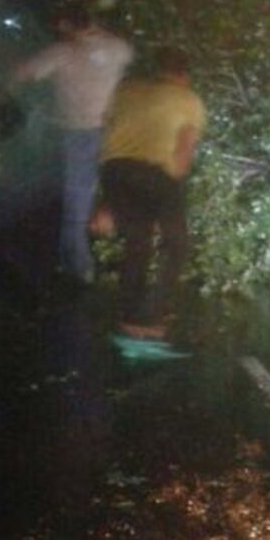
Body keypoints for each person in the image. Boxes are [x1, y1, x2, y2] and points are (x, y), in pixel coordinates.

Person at [11, 4, 133, 285]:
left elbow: (24, 73)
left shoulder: (63, 53)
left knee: (75, 204)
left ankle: (78, 269)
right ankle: (96, 255)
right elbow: (124, 52)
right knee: (96, 193)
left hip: (77, 133)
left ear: (67, 25)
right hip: (111, 131)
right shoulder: (117, 48)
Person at [99, 47, 206, 341]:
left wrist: (107, 202)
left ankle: (129, 315)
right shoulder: (188, 100)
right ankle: (153, 314)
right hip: (156, 174)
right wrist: (170, 202)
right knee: (176, 243)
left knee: (138, 242)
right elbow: (183, 151)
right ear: (184, 75)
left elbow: (106, 129)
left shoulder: (126, 90)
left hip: (115, 171)